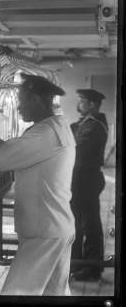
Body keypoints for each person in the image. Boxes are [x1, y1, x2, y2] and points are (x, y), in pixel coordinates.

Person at [0, 73, 76, 295]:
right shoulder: (55, 127)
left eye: (22, 100)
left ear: (37, 99)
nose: (19, 107)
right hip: (54, 227)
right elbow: (8, 150)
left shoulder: (46, 134)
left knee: (16, 293)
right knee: (55, 294)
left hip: (44, 234)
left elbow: (0, 158)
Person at [69, 89, 108, 281]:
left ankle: (92, 269)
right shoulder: (85, 123)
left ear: (92, 104)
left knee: (89, 224)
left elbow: (77, 147)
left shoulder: (95, 125)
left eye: (82, 101)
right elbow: (73, 131)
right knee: (77, 222)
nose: (79, 104)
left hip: (87, 178)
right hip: (80, 178)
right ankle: (77, 263)